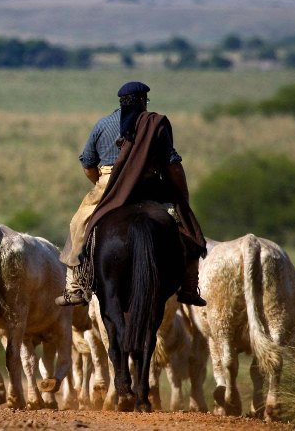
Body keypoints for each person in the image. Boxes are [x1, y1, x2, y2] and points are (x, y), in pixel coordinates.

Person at [56, 80, 207, 307]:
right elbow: (172, 164)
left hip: (108, 183)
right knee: (184, 226)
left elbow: (88, 163)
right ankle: (189, 286)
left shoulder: (102, 125)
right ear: (144, 101)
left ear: (121, 101)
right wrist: (182, 199)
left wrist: (103, 184)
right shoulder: (155, 124)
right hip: (148, 185)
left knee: (79, 223)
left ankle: (74, 287)